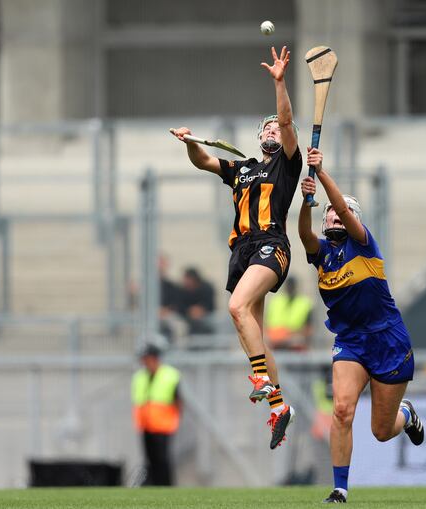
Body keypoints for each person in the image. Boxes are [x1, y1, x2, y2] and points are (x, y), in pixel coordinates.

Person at [169, 46, 300, 449]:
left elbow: (288, 120)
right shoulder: (242, 168)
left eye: (277, 128)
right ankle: (279, 406)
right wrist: (189, 141)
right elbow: (204, 162)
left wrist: (279, 84)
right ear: (259, 136)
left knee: (236, 307)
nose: (274, 131)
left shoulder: (286, 165)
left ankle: (260, 378)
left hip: (271, 245)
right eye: (268, 128)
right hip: (241, 252)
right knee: (252, 330)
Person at [298, 148, 424, 504]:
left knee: (382, 431)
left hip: (388, 341)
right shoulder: (320, 253)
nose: (336, 217)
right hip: (350, 341)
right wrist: (308, 202)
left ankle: (407, 414)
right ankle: (340, 489)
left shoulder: (365, 244)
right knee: (341, 409)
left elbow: (342, 208)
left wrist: (322, 175)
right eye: (331, 215)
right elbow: (304, 233)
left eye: (343, 213)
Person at [131, 344, 182, 486]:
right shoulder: (140, 377)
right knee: (149, 458)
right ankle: (152, 484)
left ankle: (166, 485)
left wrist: (176, 419)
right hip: (145, 424)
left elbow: (177, 400)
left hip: (163, 424)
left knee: (163, 458)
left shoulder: (169, 375)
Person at [265, 277, 314, 350]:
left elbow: (308, 330)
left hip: (295, 347)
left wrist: (291, 335)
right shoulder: (275, 301)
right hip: (276, 345)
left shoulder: (305, 303)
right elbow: (267, 327)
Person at [177, 266, 216, 335]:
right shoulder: (181, 290)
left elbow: (211, 305)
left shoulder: (207, 288)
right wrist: (190, 311)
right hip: (186, 318)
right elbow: (179, 306)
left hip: (206, 317)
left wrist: (201, 310)